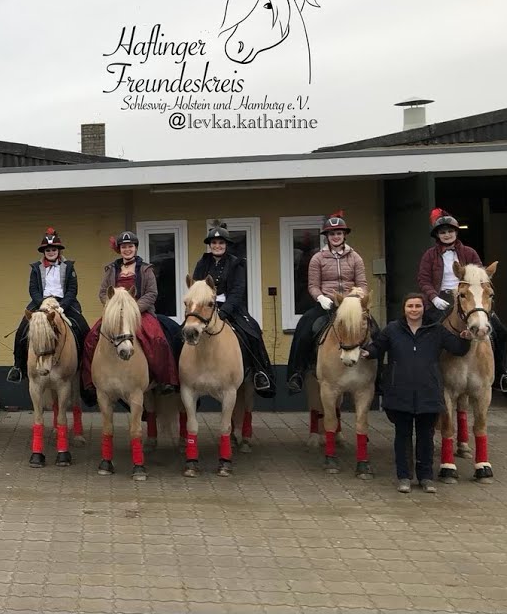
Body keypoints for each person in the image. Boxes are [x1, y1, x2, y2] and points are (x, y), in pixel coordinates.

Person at [362, 292, 471, 493]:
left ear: (424, 309)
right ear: (404, 309)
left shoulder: (436, 330)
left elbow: (457, 348)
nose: (414, 310)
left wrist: (465, 340)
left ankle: (426, 477)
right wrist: (366, 352)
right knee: (402, 437)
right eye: (410, 306)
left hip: (428, 392)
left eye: (417, 306)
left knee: (426, 437)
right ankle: (404, 477)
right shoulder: (393, 329)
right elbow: (378, 347)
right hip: (399, 392)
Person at [417, 207, 507, 396]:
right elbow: (423, 279)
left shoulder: (470, 252)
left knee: (502, 333)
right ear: (437, 235)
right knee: (425, 335)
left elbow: (481, 277)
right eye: (443, 232)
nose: (447, 235)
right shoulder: (429, 255)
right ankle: (425, 376)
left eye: (450, 231)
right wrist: (434, 297)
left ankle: (501, 375)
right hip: (443, 298)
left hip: (470, 298)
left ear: (456, 232)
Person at [80, 231, 179, 405]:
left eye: (130, 246)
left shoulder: (146, 269)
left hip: (140, 312)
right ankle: (90, 382)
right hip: (115, 314)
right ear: (120, 249)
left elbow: (151, 293)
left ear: (136, 248)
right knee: (91, 338)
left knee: (157, 338)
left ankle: (164, 379)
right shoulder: (111, 269)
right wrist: (112, 307)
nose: (127, 250)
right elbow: (103, 292)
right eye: (124, 247)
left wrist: (132, 309)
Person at [286, 211, 368, 394]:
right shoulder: (317, 258)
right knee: (304, 328)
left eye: (339, 233)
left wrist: (357, 297)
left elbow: (362, 284)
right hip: (327, 304)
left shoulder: (356, 257)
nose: (336, 236)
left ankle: (378, 378)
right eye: (332, 233)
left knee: (374, 330)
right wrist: (320, 297)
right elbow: (313, 286)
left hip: (351, 305)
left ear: (344, 235)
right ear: (327, 237)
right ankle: (296, 373)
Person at [192, 223, 275, 396]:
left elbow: (237, 292)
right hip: (205, 308)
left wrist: (223, 313)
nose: (217, 246)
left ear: (226, 245)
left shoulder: (237, 263)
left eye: (221, 243)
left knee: (252, 332)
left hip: (231, 308)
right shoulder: (202, 263)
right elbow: (195, 288)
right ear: (210, 245)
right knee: (185, 331)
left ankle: (260, 373)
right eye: (214, 243)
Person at [6, 228, 89, 383]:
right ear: (44, 251)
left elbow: (72, 290)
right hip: (41, 302)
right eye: (48, 250)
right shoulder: (36, 268)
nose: (51, 252)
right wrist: (42, 304)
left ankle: (85, 366)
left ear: (58, 251)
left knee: (84, 328)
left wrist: (62, 306)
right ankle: (18, 367)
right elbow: (33, 289)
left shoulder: (69, 266)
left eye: (54, 249)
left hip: (64, 303)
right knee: (22, 330)